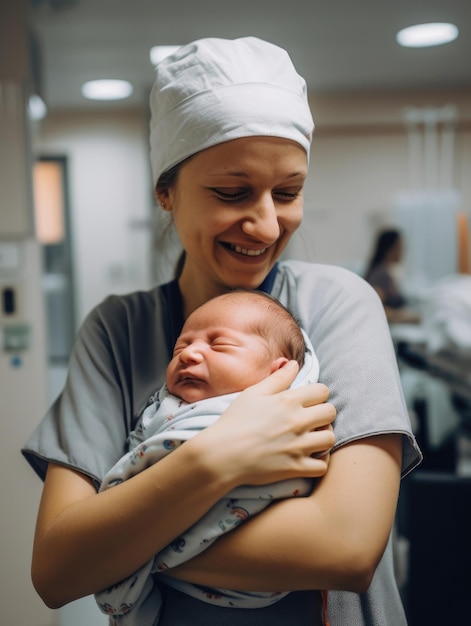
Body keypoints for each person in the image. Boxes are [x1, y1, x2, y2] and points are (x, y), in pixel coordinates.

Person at [23, 36, 422, 626]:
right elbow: (57, 570)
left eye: (287, 192)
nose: (265, 223)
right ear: (166, 191)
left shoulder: (336, 303)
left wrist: (122, 543)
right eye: (231, 192)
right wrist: (221, 455)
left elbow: (345, 548)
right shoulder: (118, 329)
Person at [95, 289, 322, 624]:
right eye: (181, 347)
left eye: (219, 345)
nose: (189, 355)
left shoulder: (288, 416)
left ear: (278, 372)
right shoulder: (165, 411)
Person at [364, 228, 421, 324]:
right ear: (390, 248)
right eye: (400, 246)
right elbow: (375, 310)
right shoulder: (379, 275)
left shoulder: (386, 272)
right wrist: (408, 317)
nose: (404, 250)